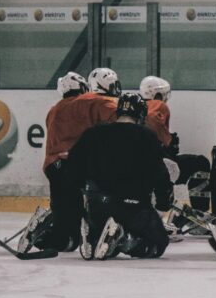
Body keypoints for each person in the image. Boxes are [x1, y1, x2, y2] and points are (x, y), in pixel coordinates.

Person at [17, 72, 116, 254]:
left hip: (54, 166)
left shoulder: (53, 110)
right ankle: (91, 230)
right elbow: (112, 108)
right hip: (73, 165)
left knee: (67, 236)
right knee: (92, 203)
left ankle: (45, 229)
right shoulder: (87, 101)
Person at [65, 93, 173, 260]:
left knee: (108, 245)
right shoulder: (147, 136)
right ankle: (124, 239)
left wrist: (82, 197)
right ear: (141, 115)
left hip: (97, 205)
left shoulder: (93, 133)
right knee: (157, 244)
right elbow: (159, 174)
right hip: (133, 207)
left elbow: (72, 168)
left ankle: (94, 236)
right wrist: (164, 203)